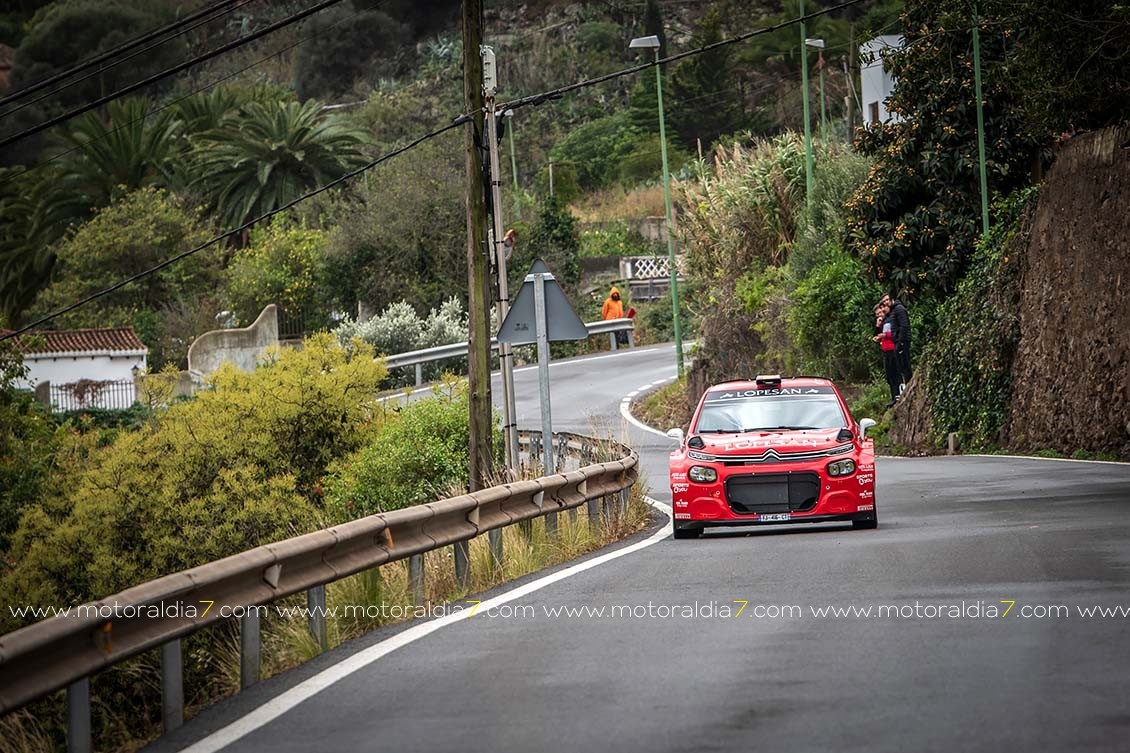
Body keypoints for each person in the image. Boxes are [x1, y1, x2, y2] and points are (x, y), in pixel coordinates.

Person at [882, 292, 912, 393]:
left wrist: (900, 341)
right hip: (897, 341)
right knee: (901, 367)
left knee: (905, 366)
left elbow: (904, 325)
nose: (886, 302)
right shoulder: (893, 311)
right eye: (884, 301)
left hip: (902, 341)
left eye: (887, 300)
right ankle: (905, 390)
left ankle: (908, 387)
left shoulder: (899, 309)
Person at [872, 301, 899, 409]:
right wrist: (877, 326)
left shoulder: (890, 320)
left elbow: (895, 333)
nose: (879, 315)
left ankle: (898, 395)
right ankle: (893, 397)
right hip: (885, 350)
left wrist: (885, 335)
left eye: (880, 313)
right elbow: (876, 334)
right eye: (877, 315)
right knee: (889, 376)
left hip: (893, 349)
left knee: (895, 374)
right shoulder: (882, 323)